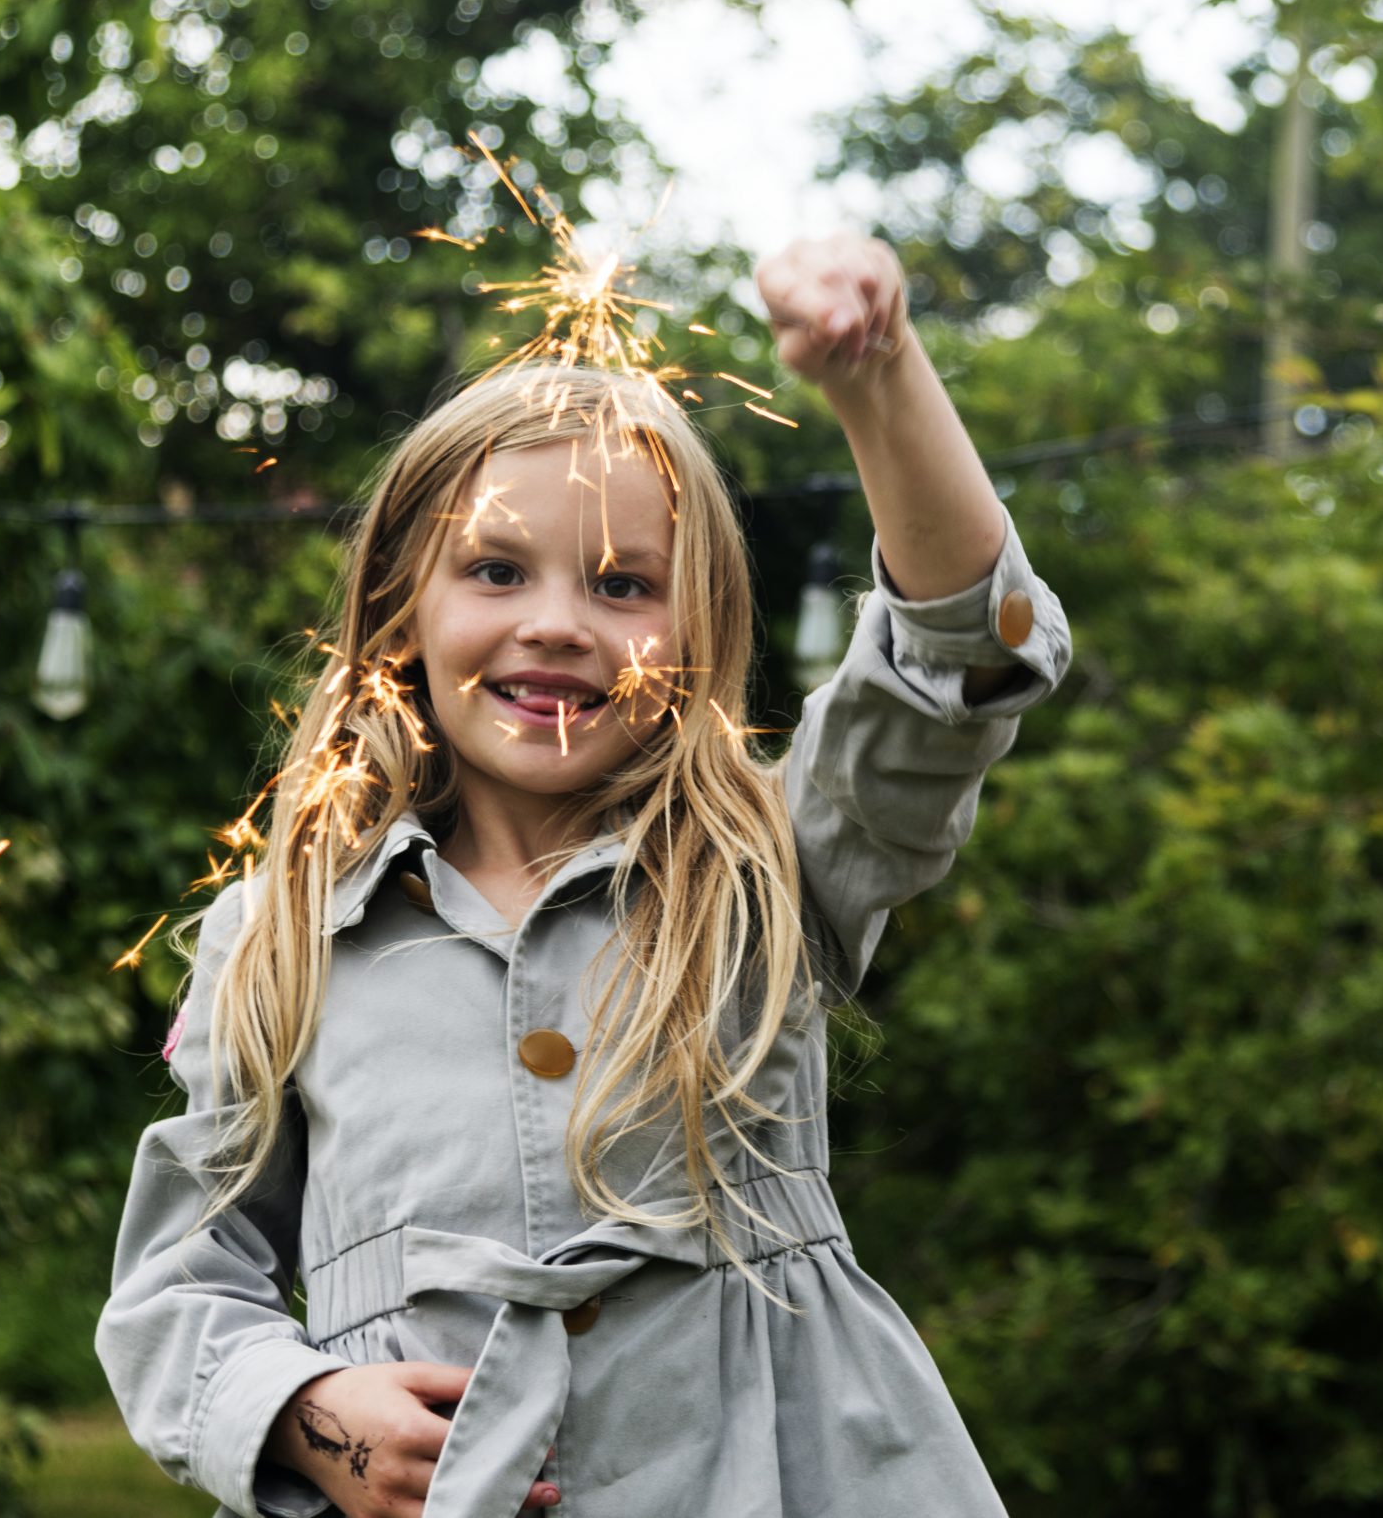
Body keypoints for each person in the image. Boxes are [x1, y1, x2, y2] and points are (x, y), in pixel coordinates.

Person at [98, 234, 1068, 1518]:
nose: (556, 621)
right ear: (402, 610)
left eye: (624, 584)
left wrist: (879, 378)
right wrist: (310, 1416)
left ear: (696, 628)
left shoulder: (768, 866)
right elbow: (179, 1284)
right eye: (496, 570)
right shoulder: (277, 935)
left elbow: (951, 674)